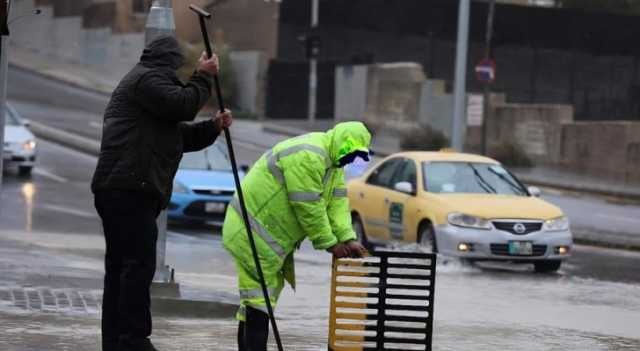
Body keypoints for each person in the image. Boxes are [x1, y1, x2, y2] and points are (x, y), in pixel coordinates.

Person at [91, 35, 232, 351]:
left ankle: (116, 341)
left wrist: (213, 127)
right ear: (170, 62)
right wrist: (204, 74)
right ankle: (134, 340)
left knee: (122, 268)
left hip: (121, 188)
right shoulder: (147, 79)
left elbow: (177, 136)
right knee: (137, 265)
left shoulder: (146, 88)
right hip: (129, 188)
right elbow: (182, 105)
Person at [222, 121, 372, 351]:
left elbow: (337, 204)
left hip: (268, 237)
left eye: (357, 157)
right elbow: (308, 206)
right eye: (351, 154)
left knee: (257, 301)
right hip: (252, 232)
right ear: (344, 144)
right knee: (259, 301)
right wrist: (330, 244)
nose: (351, 161)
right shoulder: (309, 155)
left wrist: (347, 237)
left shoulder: (333, 164)